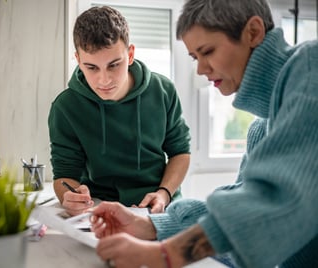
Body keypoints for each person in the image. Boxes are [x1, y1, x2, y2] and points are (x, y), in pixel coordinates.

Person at [89, 0, 318, 267]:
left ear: (253, 32)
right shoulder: (261, 128)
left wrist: (164, 255)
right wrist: (150, 225)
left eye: (207, 51)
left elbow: (272, 203)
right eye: (195, 57)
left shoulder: (311, 68)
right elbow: (241, 211)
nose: (200, 69)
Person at [48, 6, 191, 216]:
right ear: (78, 60)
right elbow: (64, 176)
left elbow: (180, 152)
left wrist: (164, 193)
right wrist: (69, 197)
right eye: (91, 67)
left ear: (130, 54)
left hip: (159, 207)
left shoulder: (163, 91)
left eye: (114, 65)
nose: (104, 80)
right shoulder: (65, 107)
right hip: (99, 209)